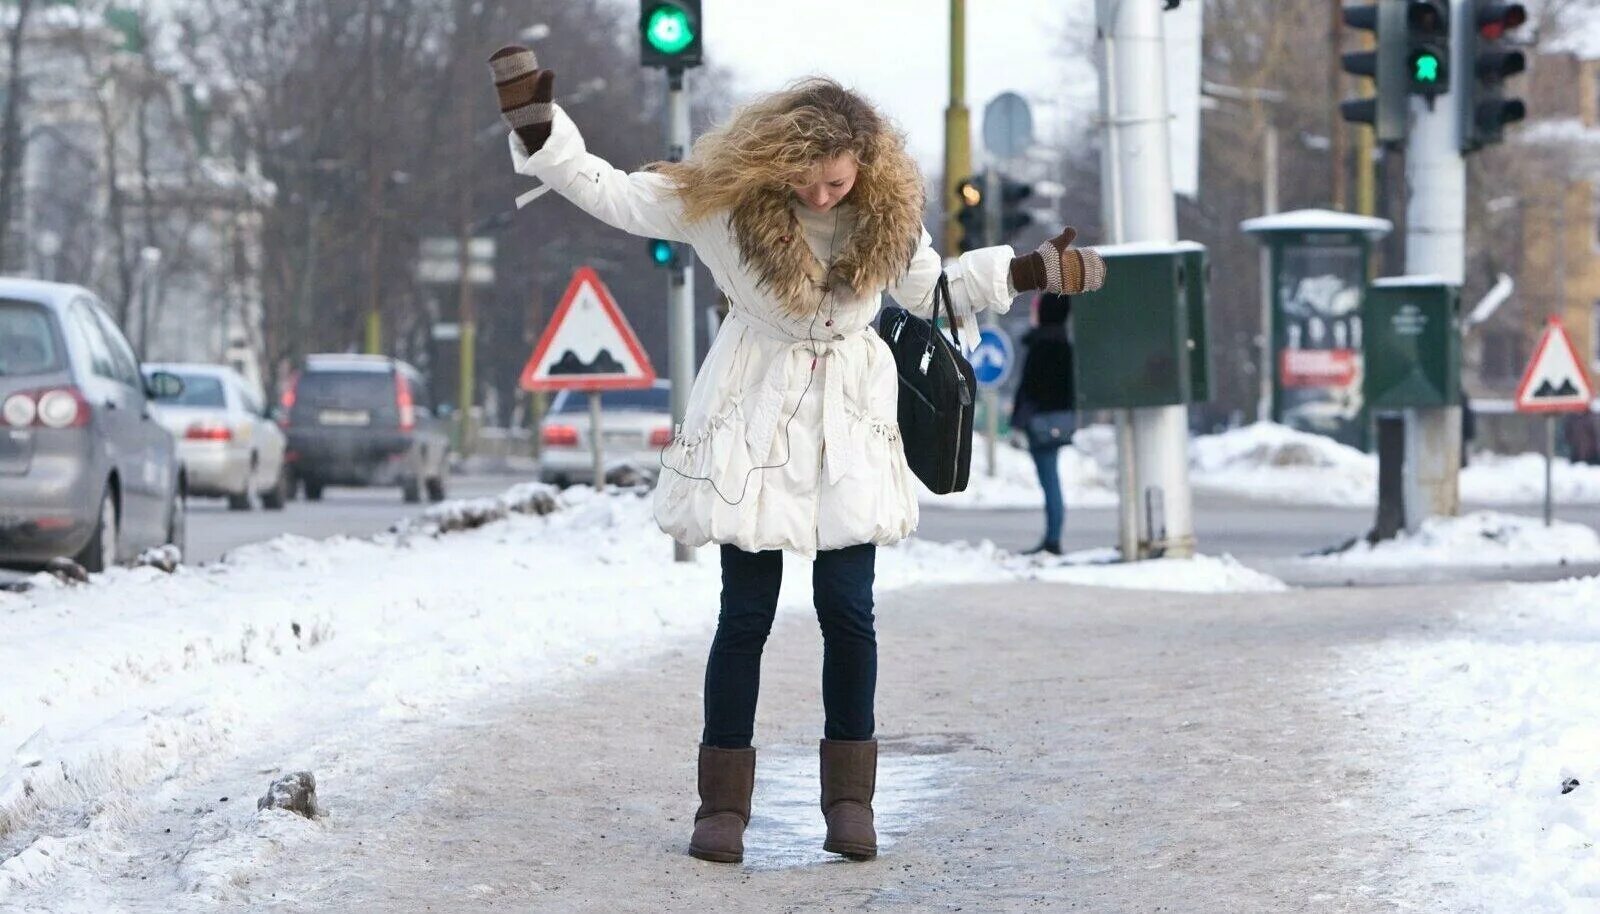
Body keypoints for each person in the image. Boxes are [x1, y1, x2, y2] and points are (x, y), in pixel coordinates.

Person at [488, 47, 1104, 864]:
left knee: (850, 612)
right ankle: (722, 808)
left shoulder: (888, 214)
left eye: (836, 182)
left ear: (862, 166)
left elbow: (933, 291)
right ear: (776, 162)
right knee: (744, 615)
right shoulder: (723, 204)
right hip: (754, 416)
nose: (821, 194)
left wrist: (1028, 269)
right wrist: (542, 130)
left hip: (850, 423)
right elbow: (615, 193)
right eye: (807, 179)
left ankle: (851, 802)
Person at [1011, 293, 1076, 556]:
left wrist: (1018, 420)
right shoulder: (1064, 344)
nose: (1032, 314)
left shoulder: (1042, 346)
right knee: (1052, 480)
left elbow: (1029, 389)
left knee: (1049, 482)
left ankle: (1052, 538)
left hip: (1041, 422)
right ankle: (1052, 535)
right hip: (1058, 420)